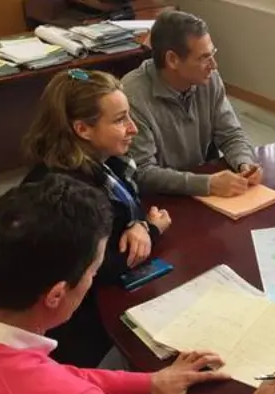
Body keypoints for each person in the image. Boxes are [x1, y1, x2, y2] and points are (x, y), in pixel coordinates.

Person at [0, 174, 275, 394]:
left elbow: (53, 377)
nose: (93, 279)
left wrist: (150, 381)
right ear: (56, 295)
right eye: (93, 271)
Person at [22, 68, 171, 367]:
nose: (133, 128)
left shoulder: (105, 162)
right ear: (83, 129)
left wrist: (139, 224)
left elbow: (129, 204)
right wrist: (152, 231)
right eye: (120, 120)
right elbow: (102, 267)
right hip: (75, 325)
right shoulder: (68, 194)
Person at [123, 10, 262, 197]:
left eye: (212, 53)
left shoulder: (209, 79)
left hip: (203, 189)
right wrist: (206, 184)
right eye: (203, 57)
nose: (214, 65)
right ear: (172, 60)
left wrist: (244, 163)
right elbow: (142, 172)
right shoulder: (132, 96)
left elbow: (230, 134)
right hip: (161, 200)